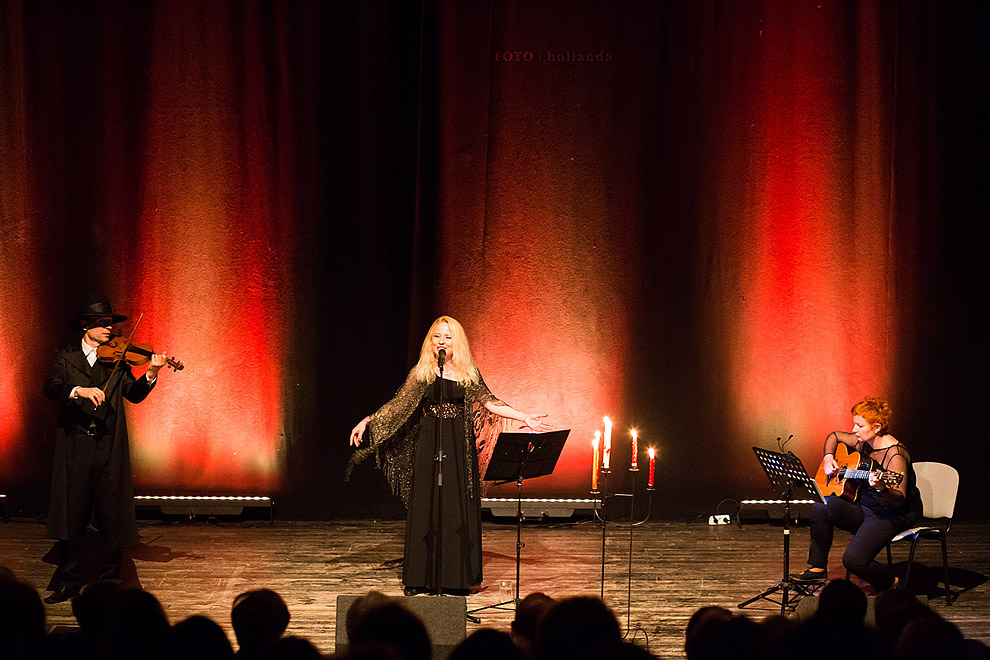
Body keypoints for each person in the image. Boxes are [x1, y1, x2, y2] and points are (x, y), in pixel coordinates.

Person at [348, 316, 551, 595]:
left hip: (458, 445)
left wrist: (523, 416)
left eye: (448, 337)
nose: (442, 342)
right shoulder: (422, 372)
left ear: (457, 342)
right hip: (429, 444)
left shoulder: (468, 373)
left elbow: (490, 402)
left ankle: (457, 578)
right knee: (426, 504)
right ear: (430, 342)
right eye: (437, 337)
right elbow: (397, 406)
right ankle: (419, 578)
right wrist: (368, 421)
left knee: (456, 504)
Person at [42, 294, 168, 604]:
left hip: (109, 446)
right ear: (85, 325)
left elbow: (133, 394)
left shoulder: (119, 359)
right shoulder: (66, 355)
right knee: (74, 516)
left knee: (112, 515)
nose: (109, 329)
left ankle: (111, 579)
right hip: (76, 446)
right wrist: (78, 390)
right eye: (102, 324)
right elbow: (52, 386)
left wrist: (151, 373)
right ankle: (69, 580)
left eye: (110, 323)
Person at [791, 397, 921, 592]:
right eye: (854, 423)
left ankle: (892, 585)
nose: (854, 429)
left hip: (891, 515)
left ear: (877, 427)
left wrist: (882, 488)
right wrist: (828, 458)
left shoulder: (896, 456)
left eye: (859, 425)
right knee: (821, 505)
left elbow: (899, 500)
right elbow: (834, 436)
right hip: (865, 506)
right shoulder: (863, 441)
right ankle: (817, 567)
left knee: (853, 560)